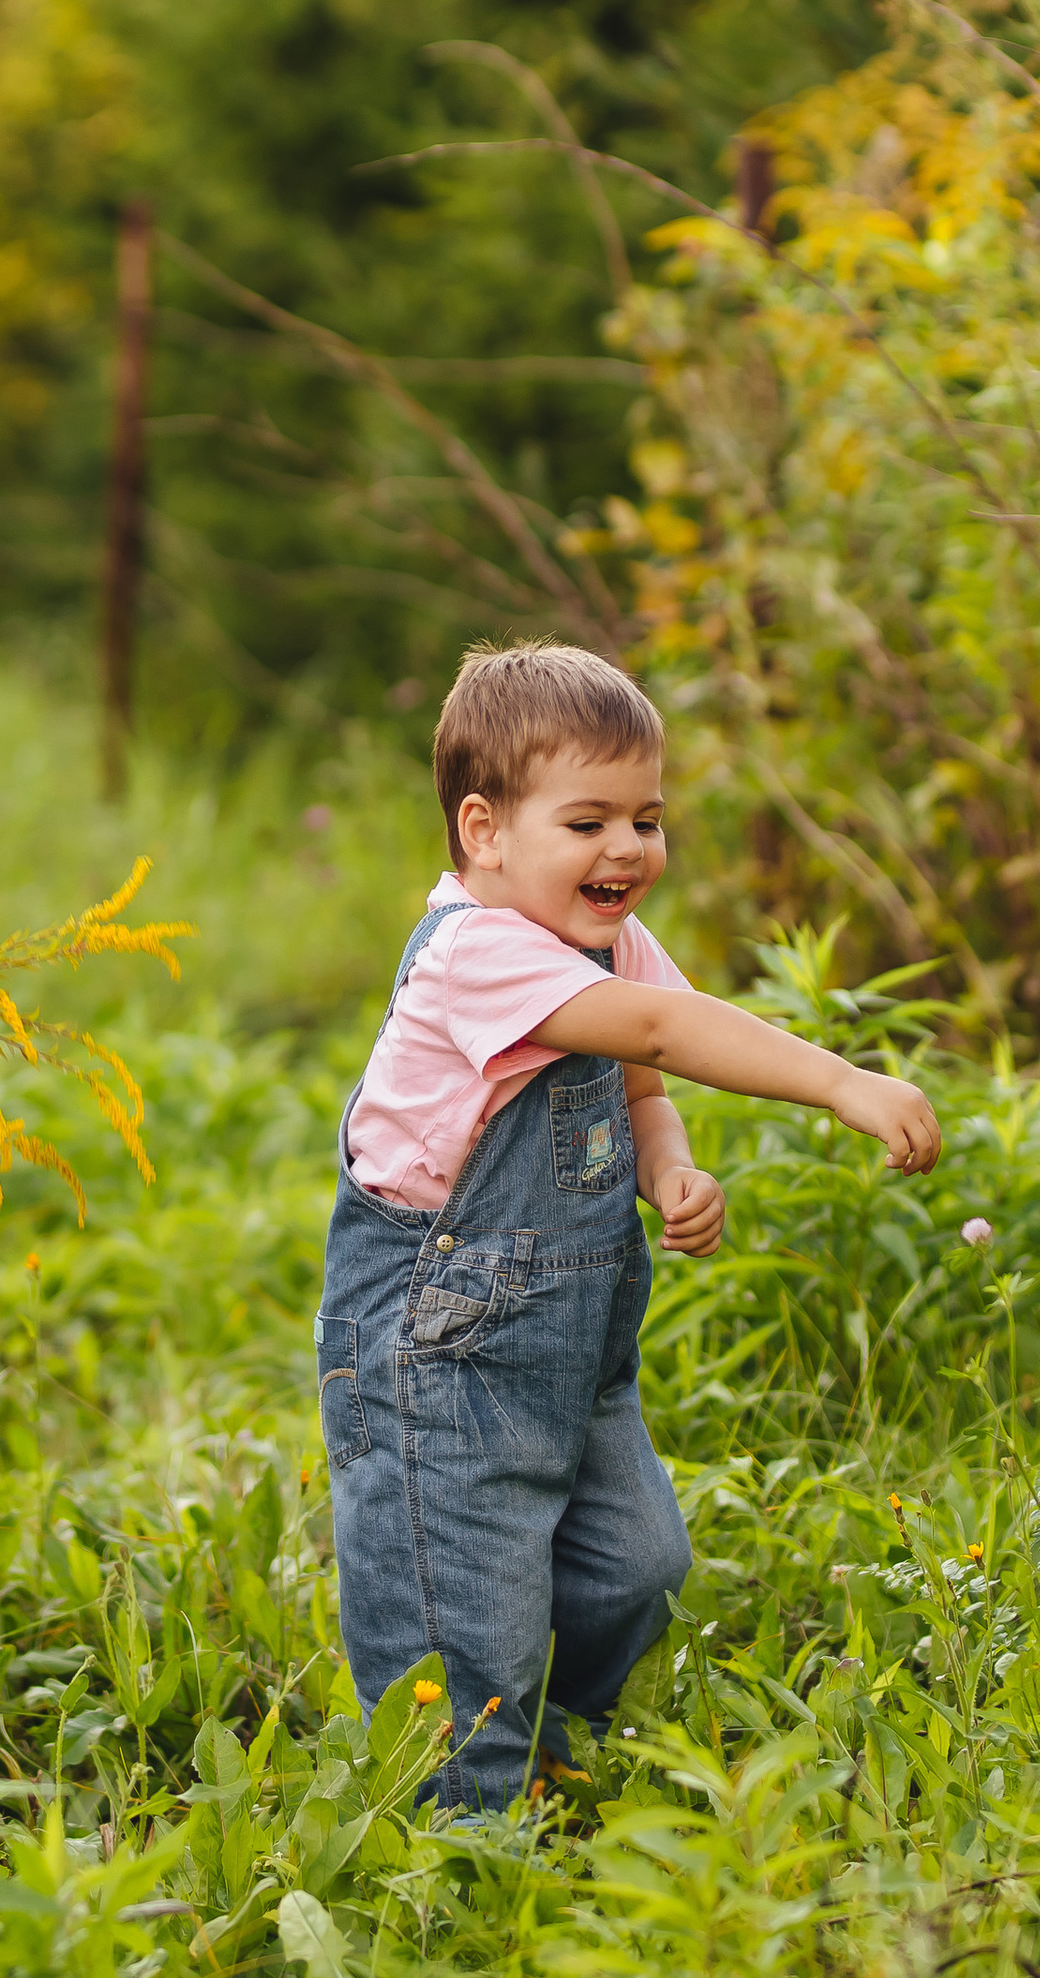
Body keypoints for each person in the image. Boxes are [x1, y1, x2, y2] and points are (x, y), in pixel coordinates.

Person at [318, 640, 941, 1811]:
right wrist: (842, 1083)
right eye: (588, 820)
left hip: (570, 1343)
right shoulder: (474, 954)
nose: (627, 849)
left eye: (646, 819)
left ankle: (553, 1738)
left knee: (637, 1565)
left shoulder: (599, 940)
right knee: (466, 1618)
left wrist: (669, 1169)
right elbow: (659, 1034)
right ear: (483, 831)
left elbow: (640, 1083)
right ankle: (456, 1847)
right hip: (435, 1351)